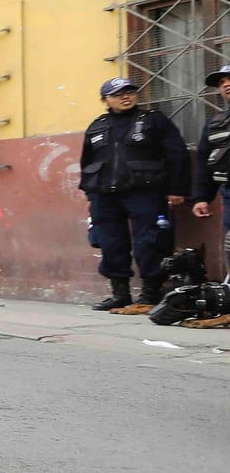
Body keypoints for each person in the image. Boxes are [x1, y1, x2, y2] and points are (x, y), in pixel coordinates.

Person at [79, 78, 189, 310]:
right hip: (104, 195)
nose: (125, 97)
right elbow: (87, 161)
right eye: (117, 94)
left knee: (150, 242)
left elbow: (176, 155)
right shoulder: (97, 126)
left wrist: (176, 189)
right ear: (105, 100)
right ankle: (120, 295)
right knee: (110, 243)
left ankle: (150, 293)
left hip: (145, 192)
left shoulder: (153, 120)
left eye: (129, 92)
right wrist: (91, 196)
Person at [191, 65, 230, 271]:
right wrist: (201, 197)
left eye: (229, 80)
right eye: (222, 83)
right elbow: (206, 163)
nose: (226, 85)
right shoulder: (216, 123)